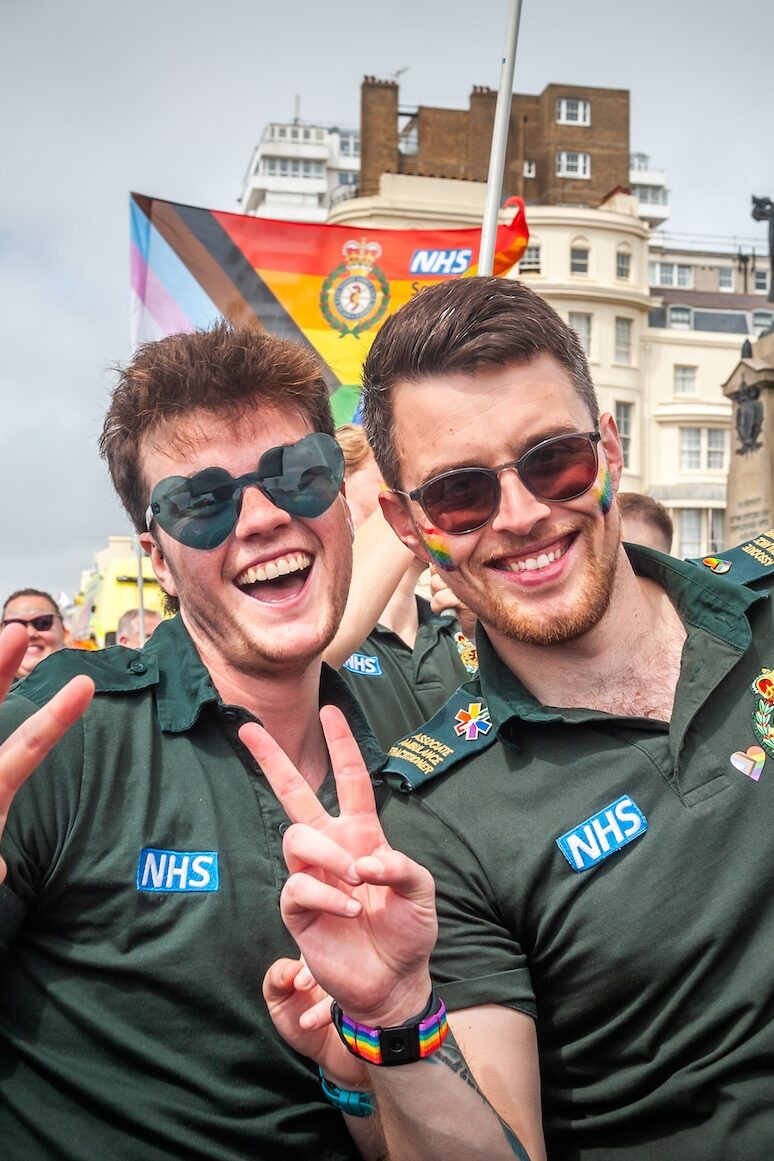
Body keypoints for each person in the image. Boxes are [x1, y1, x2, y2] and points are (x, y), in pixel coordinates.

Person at [259, 276, 774, 1160]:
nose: (525, 514)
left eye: (555, 459)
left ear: (610, 446)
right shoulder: (432, 816)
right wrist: (396, 1021)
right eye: (462, 494)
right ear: (408, 525)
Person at [0, 322, 389, 1159]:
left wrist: (360, 1068)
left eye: (299, 474)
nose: (260, 516)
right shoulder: (66, 729)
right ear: (160, 559)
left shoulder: (419, 733)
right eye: (202, 502)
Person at [330, 424, 476, 749]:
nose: (437, 497)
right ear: (338, 492)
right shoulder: (316, 631)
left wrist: (489, 633)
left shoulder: (454, 625)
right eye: (389, 475)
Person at [1, 588, 66, 679]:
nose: (30, 633)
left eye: (42, 623)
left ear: (63, 631)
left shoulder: (91, 678)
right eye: (15, 625)